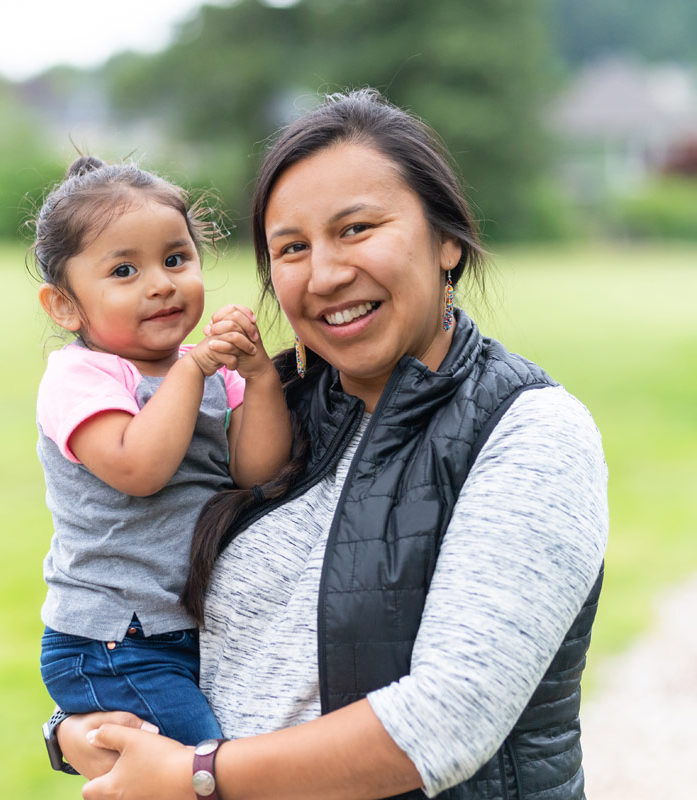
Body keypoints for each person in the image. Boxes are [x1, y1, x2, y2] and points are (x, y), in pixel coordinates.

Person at [51, 90, 608, 800]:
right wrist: (72, 727)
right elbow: (146, 611)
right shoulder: (266, 416)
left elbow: (447, 720)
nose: (324, 274)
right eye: (291, 248)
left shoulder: (530, 433)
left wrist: (195, 775)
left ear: (446, 241)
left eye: (356, 229)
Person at [32, 156, 292, 747]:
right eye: (124, 270)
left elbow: (255, 472)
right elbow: (139, 469)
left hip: (179, 631)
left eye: (175, 259)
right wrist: (196, 368)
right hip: (112, 640)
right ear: (65, 306)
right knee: (202, 765)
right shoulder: (81, 376)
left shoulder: (204, 375)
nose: (160, 283)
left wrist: (259, 380)